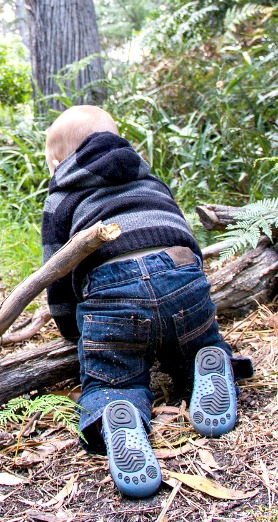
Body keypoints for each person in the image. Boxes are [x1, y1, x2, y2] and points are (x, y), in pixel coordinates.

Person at [41, 105, 253, 498]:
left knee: (114, 375)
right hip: (181, 278)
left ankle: (115, 408)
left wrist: (73, 332)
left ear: (57, 161)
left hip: (112, 296)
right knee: (192, 342)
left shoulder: (61, 196)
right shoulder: (149, 177)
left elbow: (56, 275)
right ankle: (204, 361)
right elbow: (182, 233)